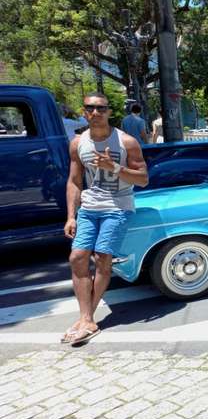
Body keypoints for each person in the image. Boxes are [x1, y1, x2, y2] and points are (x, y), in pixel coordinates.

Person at [61, 92, 148, 346]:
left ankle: (87, 319)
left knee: (102, 257)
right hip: (89, 207)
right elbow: (75, 181)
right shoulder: (78, 143)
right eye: (90, 108)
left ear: (110, 112)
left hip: (118, 206)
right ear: (84, 111)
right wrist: (70, 216)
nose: (95, 113)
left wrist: (115, 168)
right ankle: (86, 318)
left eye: (101, 108)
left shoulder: (126, 142)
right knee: (77, 257)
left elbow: (143, 179)